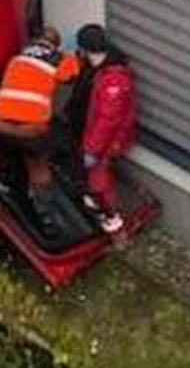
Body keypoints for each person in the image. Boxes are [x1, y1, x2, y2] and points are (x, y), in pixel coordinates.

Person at [0, 26, 80, 192]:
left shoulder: (17, 57)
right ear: (56, 45)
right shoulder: (58, 58)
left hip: (0, 126)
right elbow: (72, 75)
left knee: (20, 151)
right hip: (31, 130)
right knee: (42, 158)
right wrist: (71, 56)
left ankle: (10, 183)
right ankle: (43, 196)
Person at [71, 24, 136, 234]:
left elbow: (108, 121)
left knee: (99, 180)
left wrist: (92, 149)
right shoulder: (107, 68)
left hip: (108, 140)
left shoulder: (112, 80)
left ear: (85, 49)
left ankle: (113, 221)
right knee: (96, 175)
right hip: (101, 136)